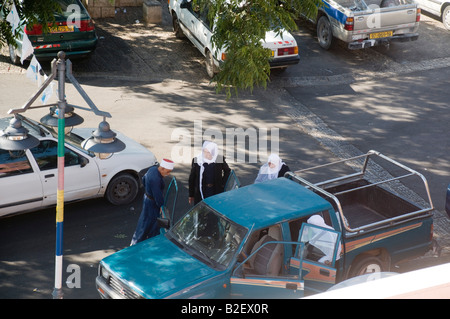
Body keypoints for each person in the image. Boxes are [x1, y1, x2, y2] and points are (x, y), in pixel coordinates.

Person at [130, 158, 174, 245]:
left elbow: (143, 179)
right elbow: (158, 195)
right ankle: (137, 244)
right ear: (162, 168)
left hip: (147, 198)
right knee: (147, 223)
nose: (168, 174)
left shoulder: (153, 169)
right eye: (167, 172)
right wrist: (161, 206)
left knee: (145, 221)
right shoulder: (155, 179)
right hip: (152, 203)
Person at [189, 141, 231, 205]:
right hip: (201, 191)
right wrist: (191, 195)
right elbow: (192, 178)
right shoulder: (197, 160)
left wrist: (222, 184)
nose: (205, 154)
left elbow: (227, 171)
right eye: (204, 151)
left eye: (208, 152)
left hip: (215, 190)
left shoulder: (219, 159)